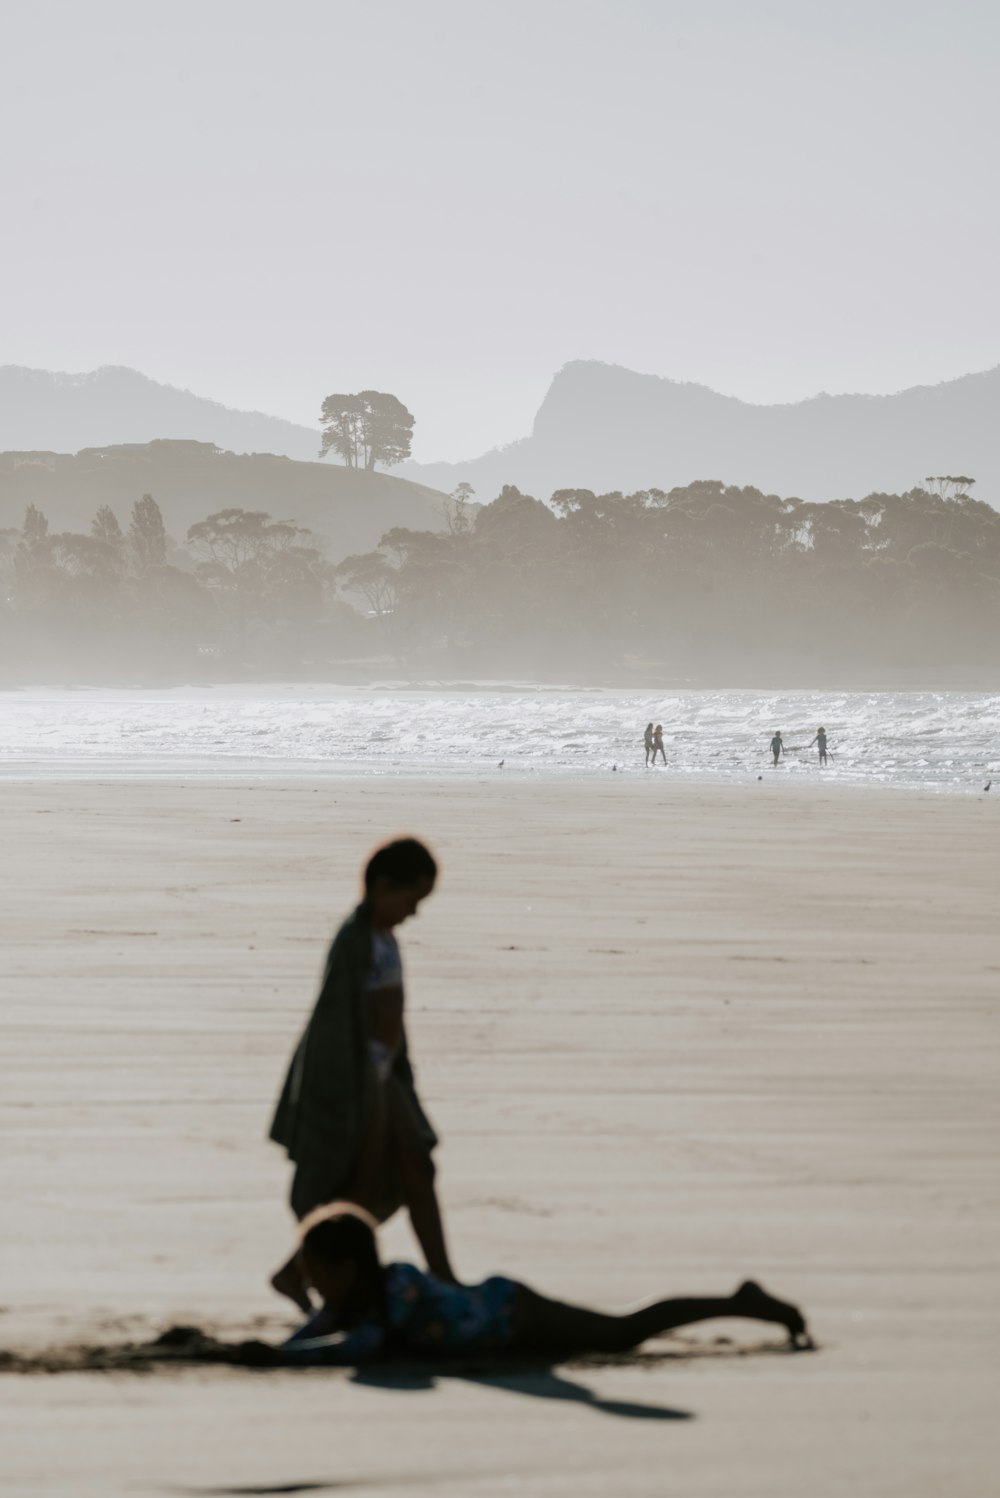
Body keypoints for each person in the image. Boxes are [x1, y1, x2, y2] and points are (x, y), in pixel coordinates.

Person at [269, 838, 456, 1311]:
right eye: (411, 899)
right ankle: (298, 1271)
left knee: (415, 1165)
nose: (413, 912)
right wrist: (357, 1089)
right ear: (382, 885)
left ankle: (443, 1276)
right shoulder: (354, 941)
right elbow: (332, 1023)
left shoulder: (381, 936)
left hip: (384, 1076)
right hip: (358, 1082)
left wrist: (396, 1078)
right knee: (367, 1182)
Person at [279, 1203, 811, 1364]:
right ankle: (741, 1301)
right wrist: (272, 1351)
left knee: (622, 1332)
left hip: (514, 1311)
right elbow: (318, 1328)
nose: (314, 1285)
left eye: (317, 1274)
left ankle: (742, 1302)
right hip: (509, 1331)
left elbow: (360, 1345)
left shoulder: (399, 1287)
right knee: (616, 1334)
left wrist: (282, 1359)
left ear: (346, 1268)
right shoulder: (355, 1300)